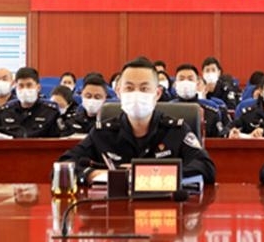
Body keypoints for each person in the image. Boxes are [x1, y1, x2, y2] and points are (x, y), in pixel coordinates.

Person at [59, 57, 216, 184]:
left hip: (164, 208)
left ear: (157, 94)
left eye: (144, 89)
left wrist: (148, 174)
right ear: (118, 92)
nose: (136, 94)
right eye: (129, 88)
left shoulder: (176, 130)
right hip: (115, 209)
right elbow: (63, 166)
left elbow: (206, 167)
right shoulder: (103, 133)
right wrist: (92, 174)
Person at [0, 66, 59, 138]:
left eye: (29, 85)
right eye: (21, 86)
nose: (25, 89)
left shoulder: (51, 112)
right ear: (16, 87)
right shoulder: (5, 111)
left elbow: (58, 139)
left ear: (38, 87)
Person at [172, 63, 228, 138]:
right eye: (181, 79)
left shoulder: (211, 110)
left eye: (190, 79)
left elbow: (219, 140)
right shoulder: (167, 110)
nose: (186, 82)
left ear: (197, 83)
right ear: (175, 83)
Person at [58, 72, 108, 136]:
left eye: (97, 97)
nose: (92, 100)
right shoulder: (72, 121)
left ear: (105, 97)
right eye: (88, 96)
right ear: (82, 95)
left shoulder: (111, 123)